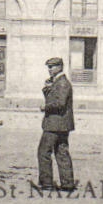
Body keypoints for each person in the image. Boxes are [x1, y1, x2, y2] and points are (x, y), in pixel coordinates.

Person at [37, 56, 76, 191]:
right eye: (48, 67)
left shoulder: (62, 83)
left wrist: (45, 107)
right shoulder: (58, 82)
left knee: (43, 152)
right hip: (62, 124)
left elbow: (60, 103)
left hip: (54, 124)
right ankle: (67, 183)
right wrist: (47, 87)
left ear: (60, 67)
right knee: (61, 152)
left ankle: (46, 183)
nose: (49, 69)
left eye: (51, 67)